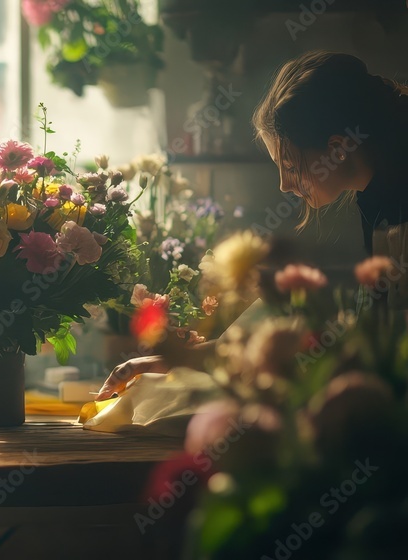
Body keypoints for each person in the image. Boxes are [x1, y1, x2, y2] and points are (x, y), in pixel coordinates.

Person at [95, 51, 408, 400]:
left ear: (336, 148)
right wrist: (185, 359)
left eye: (289, 165)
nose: (284, 185)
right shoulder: (379, 201)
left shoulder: (397, 210)